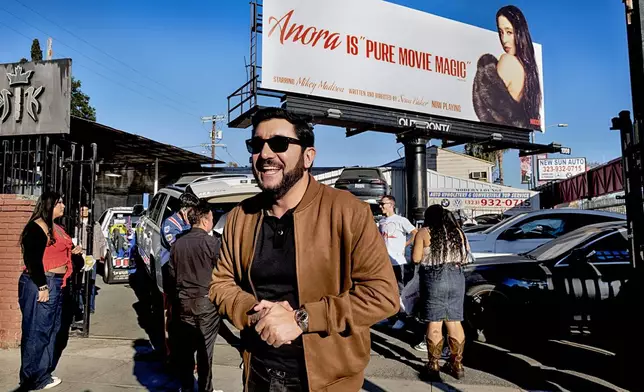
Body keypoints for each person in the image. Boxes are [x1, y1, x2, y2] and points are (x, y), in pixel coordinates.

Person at [209, 107, 399, 391]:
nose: (265, 154)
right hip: (258, 375)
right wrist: (255, 313)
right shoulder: (240, 216)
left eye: (279, 144)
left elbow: (382, 296)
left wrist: (302, 318)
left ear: (308, 157)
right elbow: (220, 284)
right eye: (256, 144)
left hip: (328, 381)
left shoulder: (347, 211)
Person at [17, 191, 82, 390]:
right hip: (42, 284)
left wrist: (75, 253)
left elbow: (65, 255)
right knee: (37, 331)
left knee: (50, 330)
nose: (63, 206)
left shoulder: (57, 228)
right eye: (59, 203)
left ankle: (42, 375)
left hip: (56, 284)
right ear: (48, 205)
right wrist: (42, 286)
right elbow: (32, 260)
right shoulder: (36, 227)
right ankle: (31, 379)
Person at [167, 200, 223, 392]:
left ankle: (187, 387)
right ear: (205, 220)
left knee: (186, 350)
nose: (213, 222)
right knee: (205, 352)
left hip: (184, 302)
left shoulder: (177, 245)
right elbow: (222, 272)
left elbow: (171, 273)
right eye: (212, 218)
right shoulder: (212, 243)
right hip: (206, 302)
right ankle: (205, 388)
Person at [412, 204, 472, 380]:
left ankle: (433, 364)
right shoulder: (458, 232)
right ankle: (457, 364)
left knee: (435, 322)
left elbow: (416, 259)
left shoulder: (424, 232)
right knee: (454, 321)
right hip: (456, 277)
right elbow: (465, 256)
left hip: (434, 278)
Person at [472, 5, 542, 130]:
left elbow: (488, 106)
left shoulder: (507, 61)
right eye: (501, 32)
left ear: (520, 33)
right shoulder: (530, 72)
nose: (504, 40)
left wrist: (484, 67)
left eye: (509, 32)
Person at [160, 192, 200, 366]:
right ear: (184, 210)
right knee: (172, 315)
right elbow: (179, 247)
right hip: (172, 276)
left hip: (188, 277)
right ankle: (172, 354)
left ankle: (189, 355)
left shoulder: (190, 223)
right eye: (192, 211)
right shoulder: (170, 225)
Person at [378, 195, 417, 330]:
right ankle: (390, 316)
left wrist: (405, 244)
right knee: (386, 290)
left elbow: (415, 232)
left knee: (400, 291)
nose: (380, 206)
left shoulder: (401, 220)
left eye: (383, 204)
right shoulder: (382, 222)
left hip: (398, 262)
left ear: (391, 204)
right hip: (384, 262)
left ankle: (402, 318)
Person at [76, 205, 107, 314]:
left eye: (84, 209)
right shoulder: (76, 225)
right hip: (80, 256)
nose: (82, 211)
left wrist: (100, 253)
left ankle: (90, 306)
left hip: (92, 257)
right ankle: (80, 306)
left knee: (91, 282)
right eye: (81, 209)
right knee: (79, 282)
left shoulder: (95, 224)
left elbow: (101, 240)